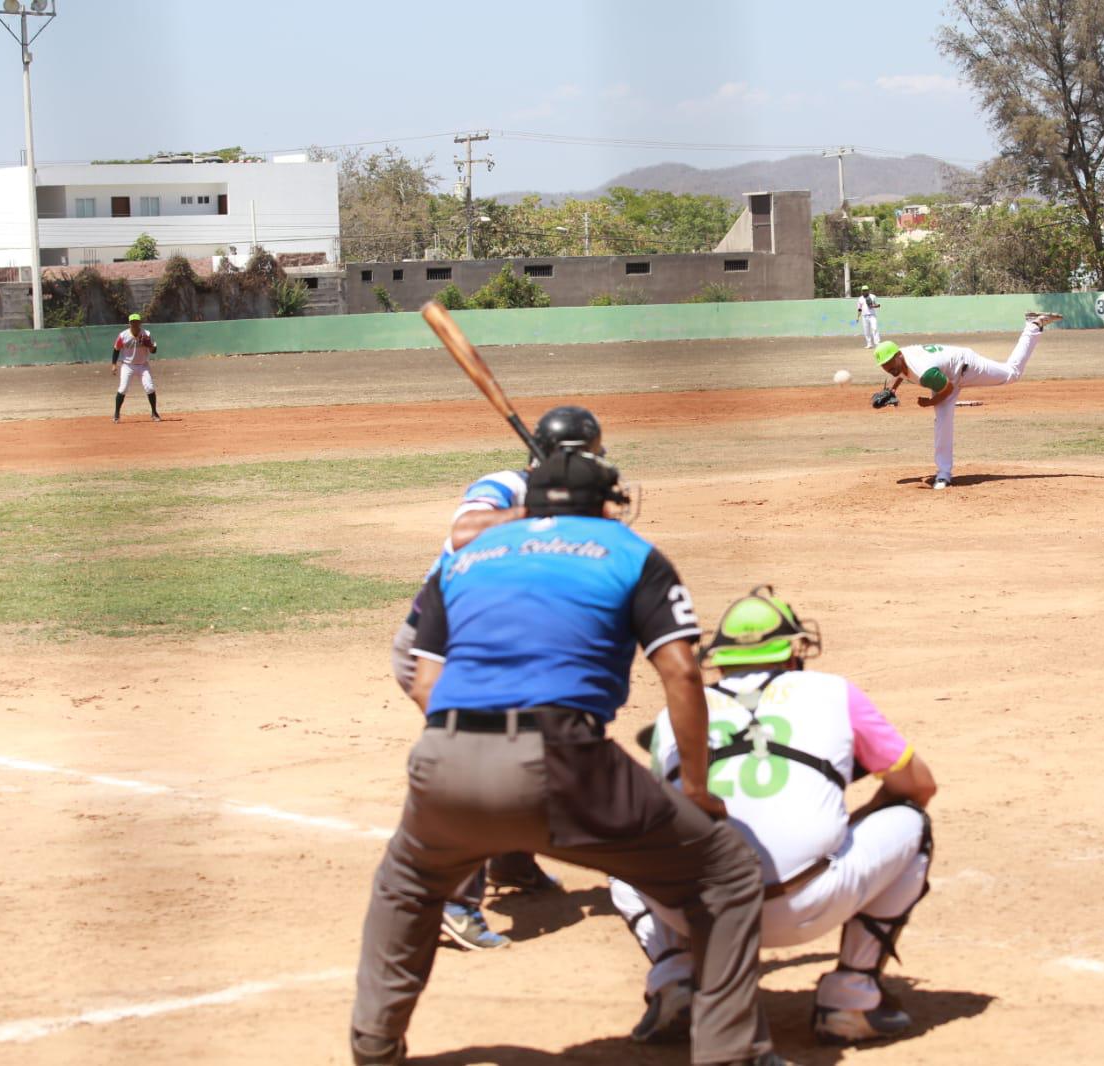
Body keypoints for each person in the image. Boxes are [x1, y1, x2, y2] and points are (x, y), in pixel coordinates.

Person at [351, 449, 785, 1066]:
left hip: (444, 754)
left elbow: (424, 681)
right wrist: (695, 788)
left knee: (406, 886)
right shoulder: (631, 551)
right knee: (726, 873)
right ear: (603, 503)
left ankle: (373, 1050)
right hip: (566, 757)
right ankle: (728, 1053)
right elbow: (682, 673)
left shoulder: (467, 557)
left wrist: (476, 750)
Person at [612, 586, 936, 1048]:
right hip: (806, 904)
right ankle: (851, 999)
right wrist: (852, 824)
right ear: (792, 653)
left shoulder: (673, 715)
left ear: (719, 660)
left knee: (624, 846)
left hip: (698, 912)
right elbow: (919, 786)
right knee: (912, 822)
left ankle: (675, 980)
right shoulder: (833, 692)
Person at [386, 407, 600, 950]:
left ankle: (511, 860)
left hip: (494, 653)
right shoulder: (505, 487)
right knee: (483, 764)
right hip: (438, 650)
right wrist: (536, 509)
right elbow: (463, 533)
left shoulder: (581, 513)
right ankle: (452, 901)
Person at [871, 311, 1063, 490]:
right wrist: (891, 390)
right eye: (884, 366)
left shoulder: (923, 371)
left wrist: (929, 402)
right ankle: (943, 474)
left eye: (890, 363)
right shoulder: (901, 358)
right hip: (944, 374)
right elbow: (901, 372)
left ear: (899, 355)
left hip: (967, 367)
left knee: (1012, 374)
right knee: (943, 422)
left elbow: (947, 389)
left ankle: (1032, 326)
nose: (889, 368)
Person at [111, 312, 161, 423]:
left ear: (140, 323)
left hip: (143, 365)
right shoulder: (123, 335)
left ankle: (154, 412)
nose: (135, 324)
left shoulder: (146, 334)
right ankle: (116, 414)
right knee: (123, 388)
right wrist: (114, 364)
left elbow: (154, 351)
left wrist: (150, 345)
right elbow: (116, 349)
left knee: (150, 388)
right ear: (129, 323)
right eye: (132, 322)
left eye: (137, 322)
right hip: (127, 366)